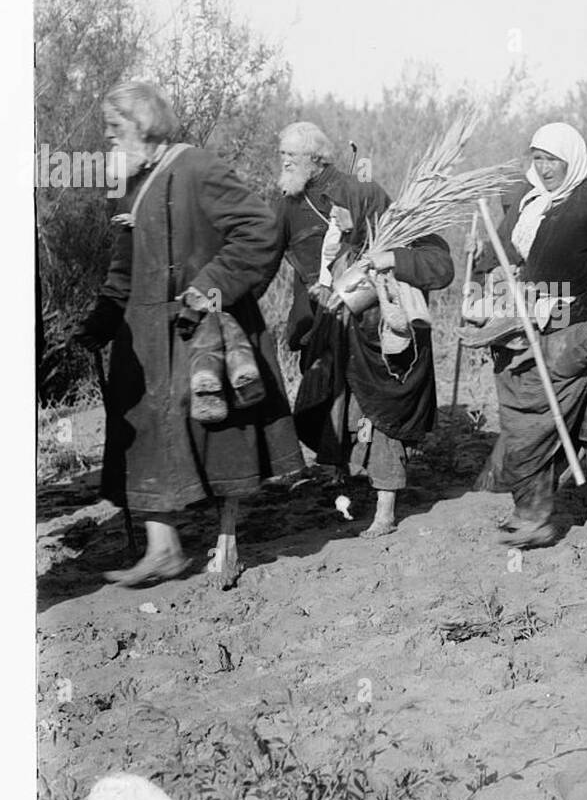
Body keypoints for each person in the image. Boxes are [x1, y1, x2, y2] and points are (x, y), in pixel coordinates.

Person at [72, 81, 302, 587]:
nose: (109, 140)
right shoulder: (134, 182)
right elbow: (124, 264)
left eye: (116, 129)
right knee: (147, 433)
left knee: (219, 433)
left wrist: (209, 286)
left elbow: (259, 230)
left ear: (144, 126)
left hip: (203, 332)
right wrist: (103, 322)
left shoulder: (200, 168)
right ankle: (164, 550)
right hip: (148, 338)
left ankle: (227, 543)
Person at [475, 123, 587, 547]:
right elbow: (503, 256)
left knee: (541, 411)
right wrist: (486, 261)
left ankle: (537, 514)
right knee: (520, 407)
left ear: (572, 159)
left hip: (582, 325)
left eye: (553, 159)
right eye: (538, 158)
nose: (545, 167)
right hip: (534, 322)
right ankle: (531, 511)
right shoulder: (532, 203)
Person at [291, 209, 454, 538]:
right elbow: (330, 285)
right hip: (350, 350)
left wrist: (393, 258)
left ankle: (385, 512)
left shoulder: (412, 237)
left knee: (386, 426)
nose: (337, 217)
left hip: (390, 359)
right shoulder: (345, 244)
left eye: (343, 210)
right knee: (348, 420)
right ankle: (350, 479)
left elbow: (441, 268)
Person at [272, 122, 391, 353]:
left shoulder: (362, 190)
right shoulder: (288, 205)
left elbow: (391, 243)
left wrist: (351, 239)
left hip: (365, 316)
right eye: (283, 153)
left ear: (316, 158)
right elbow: (263, 258)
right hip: (314, 324)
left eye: (293, 155)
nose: (285, 161)